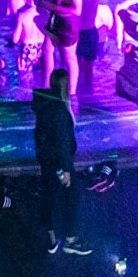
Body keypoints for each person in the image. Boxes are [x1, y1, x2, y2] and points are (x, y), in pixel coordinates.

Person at [33, 67, 89, 255]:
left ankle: (50, 237)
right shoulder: (60, 111)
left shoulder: (44, 104)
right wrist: (65, 169)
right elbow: (62, 141)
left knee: (48, 195)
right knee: (72, 196)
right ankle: (71, 240)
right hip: (58, 162)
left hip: (46, 159)